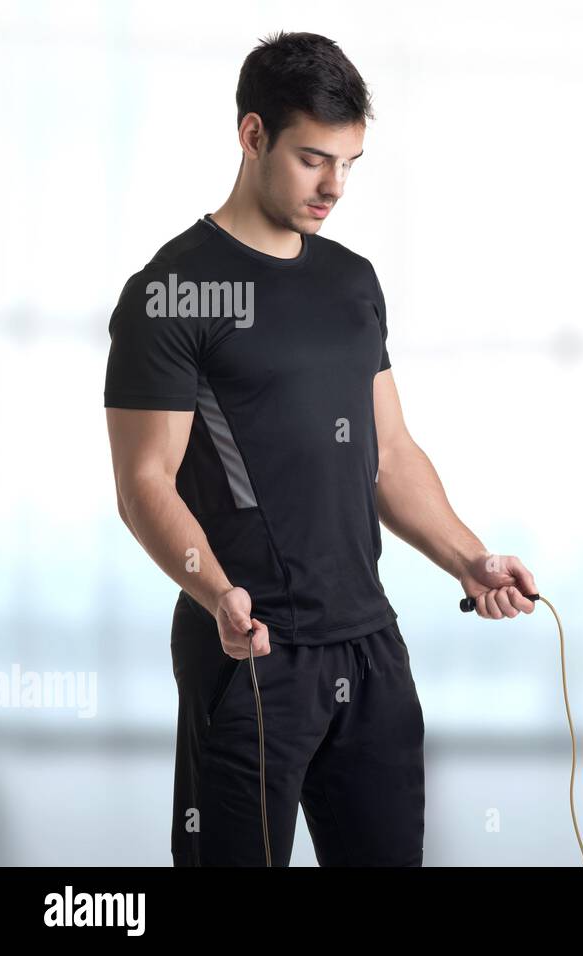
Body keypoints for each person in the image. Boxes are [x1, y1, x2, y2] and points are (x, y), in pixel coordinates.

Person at [102, 30, 538, 866]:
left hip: (368, 646)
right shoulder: (172, 292)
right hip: (249, 644)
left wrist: (469, 559)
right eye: (312, 159)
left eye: (350, 162)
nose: (334, 186)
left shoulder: (350, 282)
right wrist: (219, 594)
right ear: (252, 135)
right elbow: (144, 482)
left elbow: (391, 453)